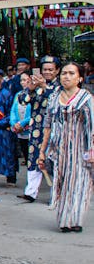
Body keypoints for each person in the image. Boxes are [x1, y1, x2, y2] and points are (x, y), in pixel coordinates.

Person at [38, 62, 94, 232]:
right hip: (58, 150)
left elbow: (92, 127)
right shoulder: (55, 97)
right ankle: (64, 218)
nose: (67, 77)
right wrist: (42, 150)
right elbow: (47, 125)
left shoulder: (86, 98)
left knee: (78, 184)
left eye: (71, 73)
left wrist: (91, 150)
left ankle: (74, 220)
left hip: (80, 149)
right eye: (64, 73)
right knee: (61, 182)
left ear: (80, 78)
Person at [23, 57, 60, 202]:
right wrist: (30, 89)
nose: (47, 72)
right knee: (33, 159)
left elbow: (56, 101)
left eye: (51, 70)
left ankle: (56, 195)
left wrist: (44, 87)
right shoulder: (36, 85)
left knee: (54, 162)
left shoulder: (61, 86)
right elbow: (22, 100)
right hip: (36, 130)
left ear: (57, 71)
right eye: (45, 69)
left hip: (54, 130)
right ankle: (30, 192)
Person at [10, 72, 33, 167]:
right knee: (24, 149)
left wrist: (22, 123)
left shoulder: (35, 93)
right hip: (19, 128)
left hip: (30, 128)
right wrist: (14, 123)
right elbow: (13, 110)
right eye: (22, 80)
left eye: (25, 80)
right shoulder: (18, 94)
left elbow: (34, 113)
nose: (23, 82)